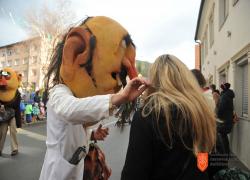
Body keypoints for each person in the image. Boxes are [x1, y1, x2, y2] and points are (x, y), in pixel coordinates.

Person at [39, 16, 148, 180]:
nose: (118, 85)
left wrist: (91, 136)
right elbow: (71, 111)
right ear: (75, 52)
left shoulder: (75, 99)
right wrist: (117, 98)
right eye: (115, 74)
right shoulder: (59, 93)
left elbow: (70, 134)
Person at [121, 54, 216, 180]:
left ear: (153, 81)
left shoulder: (148, 115)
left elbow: (134, 173)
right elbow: (204, 159)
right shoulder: (201, 111)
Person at [0, 68, 22, 156]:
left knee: (13, 131)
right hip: (3, 114)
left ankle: (15, 149)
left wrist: (18, 121)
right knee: (2, 132)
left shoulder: (17, 93)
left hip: (12, 114)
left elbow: (17, 107)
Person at [217, 83, 235, 154]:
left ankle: (225, 153)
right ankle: (227, 152)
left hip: (224, 120)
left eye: (222, 87)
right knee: (224, 136)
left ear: (224, 88)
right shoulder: (228, 95)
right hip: (228, 119)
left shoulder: (225, 96)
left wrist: (217, 116)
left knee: (222, 136)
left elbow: (221, 108)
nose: (221, 88)